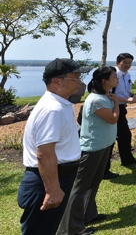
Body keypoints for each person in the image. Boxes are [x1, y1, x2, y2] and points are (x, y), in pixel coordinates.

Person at [17, 59, 86, 235]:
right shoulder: (52, 109)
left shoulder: (61, 104)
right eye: (75, 78)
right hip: (48, 180)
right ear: (57, 81)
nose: (80, 82)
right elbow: (45, 154)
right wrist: (53, 190)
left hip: (56, 176)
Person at [58, 66, 122, 235]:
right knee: (80, 188)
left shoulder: (103, 97)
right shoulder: (96, 100)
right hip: (92, 149)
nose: (117, 79)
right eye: (114, 77)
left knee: (93, 184)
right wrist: (116, 102)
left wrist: (113, 99)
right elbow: (113, 119)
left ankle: (88, 215)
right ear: (104, 81)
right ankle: (70, 228)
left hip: (103, 146)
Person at [105, 53, 136, 174]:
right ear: (118, 62)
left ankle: (127, 159)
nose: (127, 65)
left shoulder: (127, 75)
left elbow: (125, 91)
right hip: (112, 108)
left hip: (121, 108)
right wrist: (127, 100)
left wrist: (132, 95)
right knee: (110, 138)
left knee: (125, 135)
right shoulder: (113, 75)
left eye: (129, 63)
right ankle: (105, 169)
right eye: (125, 62)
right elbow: (108, 94)